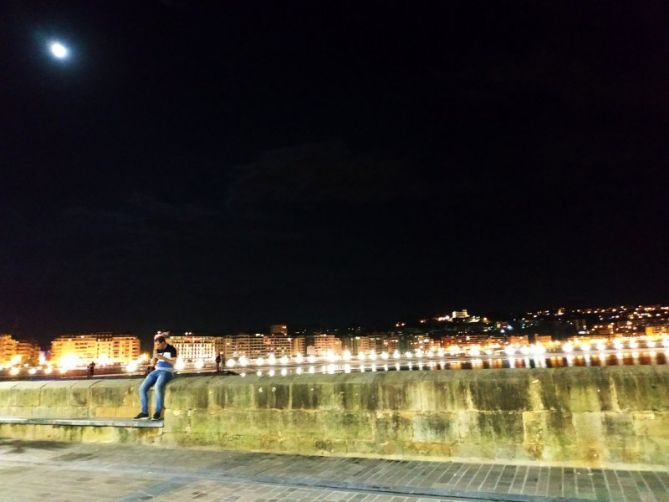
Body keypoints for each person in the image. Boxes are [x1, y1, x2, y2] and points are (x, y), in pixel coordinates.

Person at [133, 335, 177, 420]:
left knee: (158, 387)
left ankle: (158, 412)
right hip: (157, 371)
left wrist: (163, 358)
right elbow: (153, 364)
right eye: (156, 344)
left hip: (167, 371)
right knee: (142, 388)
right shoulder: (157, 350)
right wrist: (154, 358)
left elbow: (174, 363)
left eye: (158, 344)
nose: (157, 346)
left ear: (163, 343)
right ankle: (144, 412)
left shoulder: (172, 349)